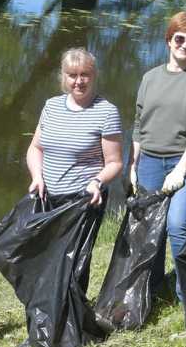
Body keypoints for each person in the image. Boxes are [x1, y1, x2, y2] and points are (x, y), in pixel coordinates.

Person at [130, 12, 186, 287]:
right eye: (179, 38)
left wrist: (181, 170)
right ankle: (152, 289)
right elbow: (138, 123)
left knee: (176, 224)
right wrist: (133, 165)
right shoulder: (149, 78)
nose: (185, 45)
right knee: (149, 230)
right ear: (169, 40)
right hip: (149, 163)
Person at [26, 47, 124, 293]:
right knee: (47, 260)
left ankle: (74, 319)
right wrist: (37, 177)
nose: (78, 81)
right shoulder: (51, 106)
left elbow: (115, 163)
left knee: (74, 263)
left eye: (85, 74)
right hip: (48, 197)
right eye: (72, 75)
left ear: (94, 75)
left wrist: (97, 181)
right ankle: (49, 313)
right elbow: (35, 148)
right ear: (63, 77)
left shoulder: (106, 111)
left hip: (83, 200)